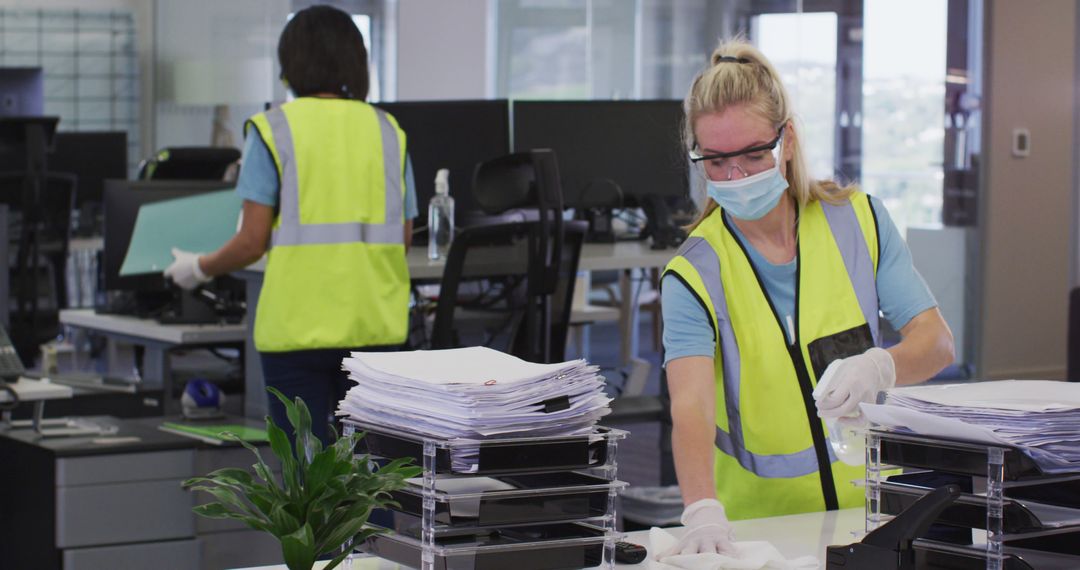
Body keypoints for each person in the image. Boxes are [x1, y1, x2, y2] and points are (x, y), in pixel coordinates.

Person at [659, 38, 955, 555]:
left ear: (787, 140)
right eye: (717, 161)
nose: (736, 176)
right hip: (760, 535)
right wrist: (701, 510)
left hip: (877, 515)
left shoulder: (859, 220)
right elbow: (690, 405)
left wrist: (880, 366)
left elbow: (936, 342)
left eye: (754, 154)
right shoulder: (693, 273)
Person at [164, 5, 418, 445]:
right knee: (373, 481)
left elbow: (251, 240)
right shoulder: (387, 131)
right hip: (376, 328)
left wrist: (200, 268)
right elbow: (404, 237)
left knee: (305, 483)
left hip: (296, 333)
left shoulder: (273, 129)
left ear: (290, 65)